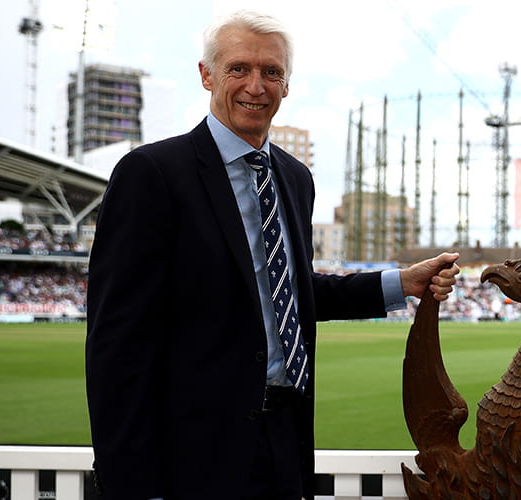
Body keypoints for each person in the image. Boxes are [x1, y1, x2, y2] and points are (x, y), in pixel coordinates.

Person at [84, 10, 460, 499]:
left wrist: (400, 282)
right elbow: (117, 343)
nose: (255, 86)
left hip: (284, 440)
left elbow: (288, 293)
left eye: (271, 72)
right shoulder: (151, 173)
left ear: (287, 85)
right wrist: (131, 484)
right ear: (207, 75)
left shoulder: (295, 178)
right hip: (189, 456)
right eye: (238, 68)